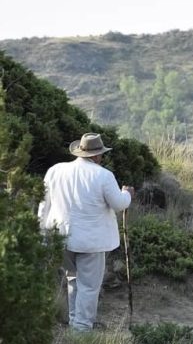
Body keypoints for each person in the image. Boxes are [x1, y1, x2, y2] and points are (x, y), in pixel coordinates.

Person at [38, 133, 135, 332]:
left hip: (60, 236)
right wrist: (128, 194)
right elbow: (118, 204)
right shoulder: (103, 175)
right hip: (91, 241)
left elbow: (43, 205)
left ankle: (75, 323)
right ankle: (81, 329)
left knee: (73, 280)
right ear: (98, 155)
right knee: (89, 286)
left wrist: (42, 233)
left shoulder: (55, 171)